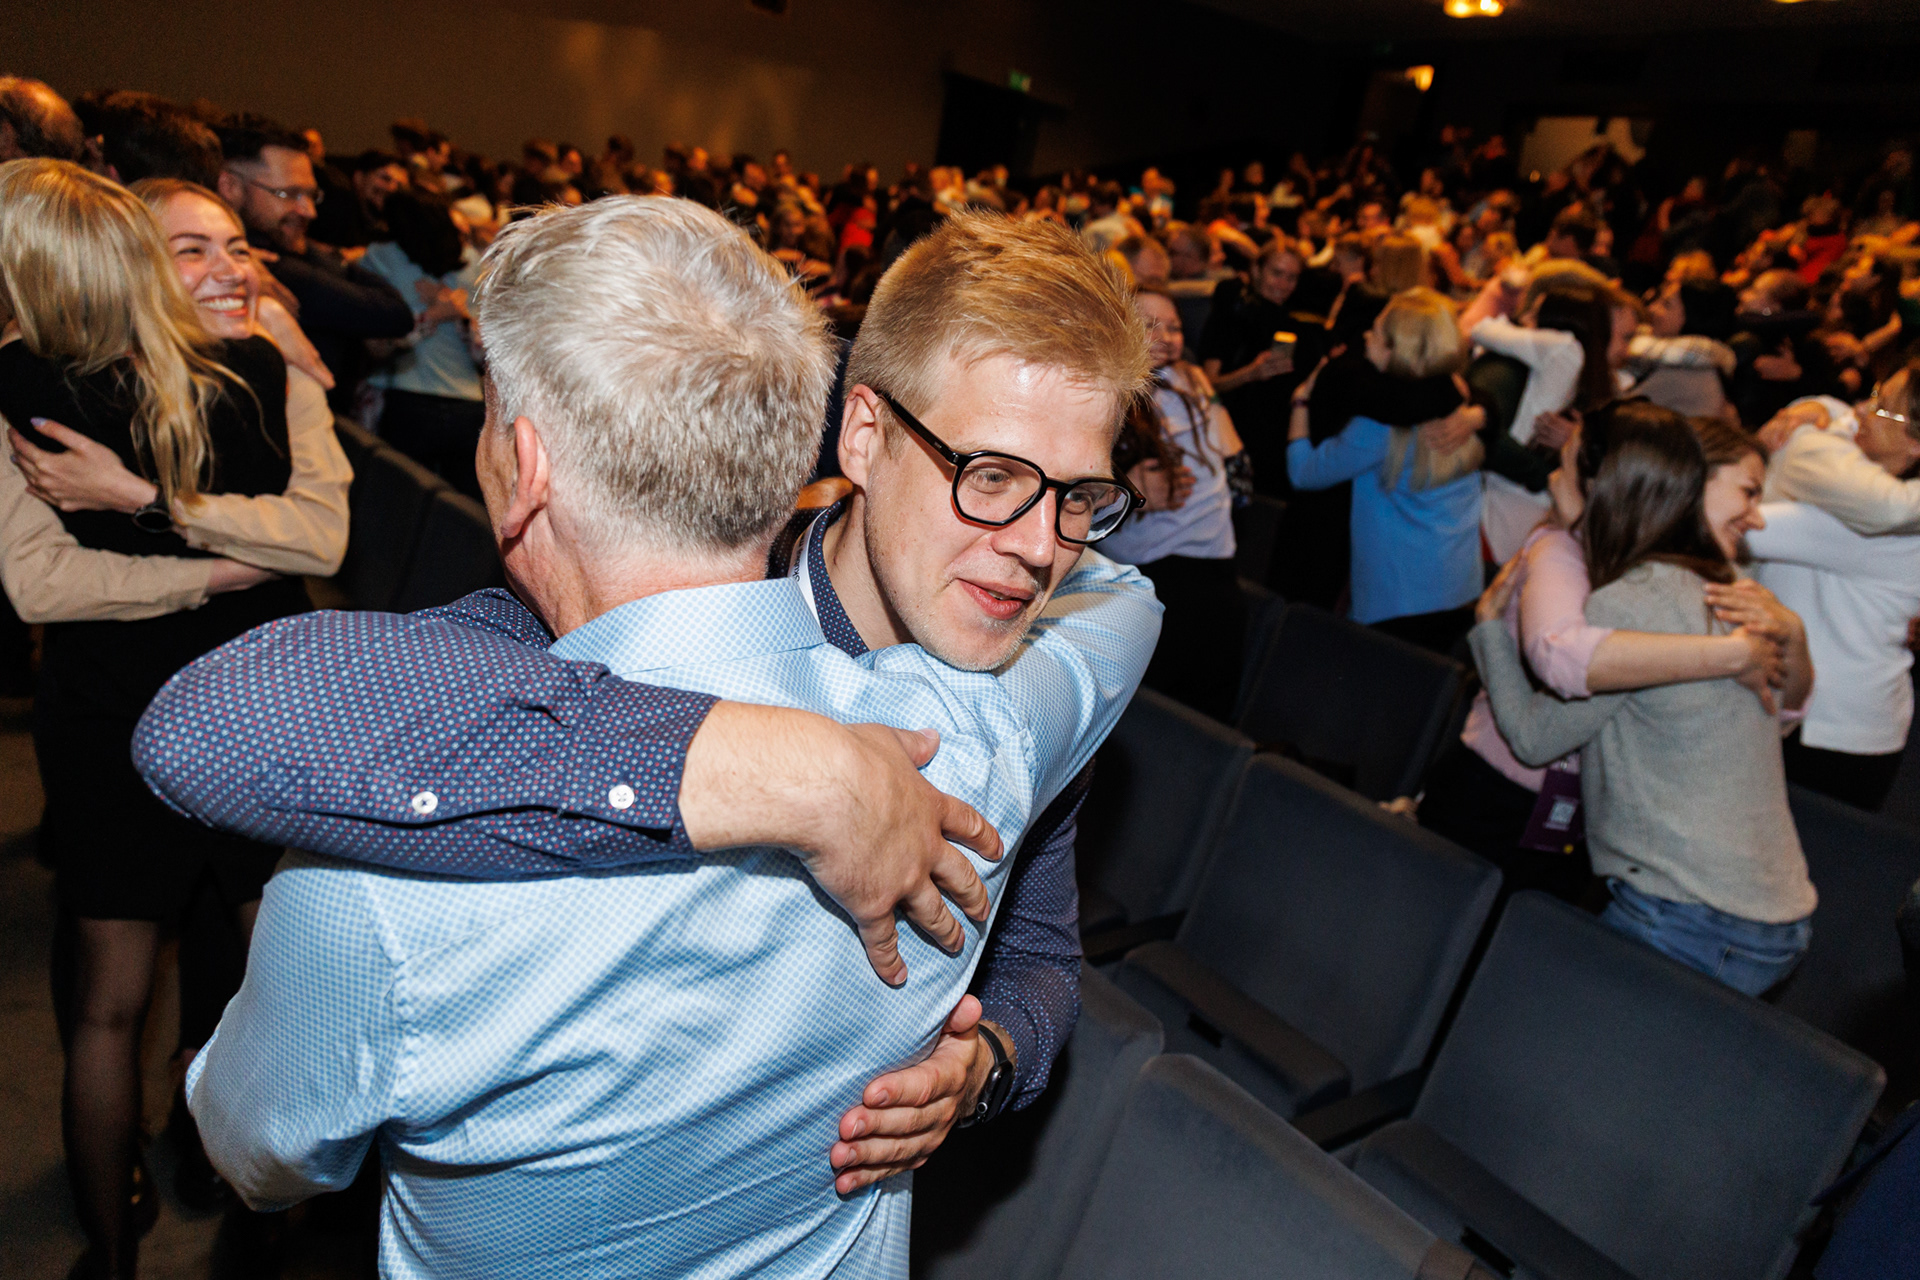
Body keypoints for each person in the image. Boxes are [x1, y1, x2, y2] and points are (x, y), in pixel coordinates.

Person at [136, 200, 1158, 1276]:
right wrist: (767, 766)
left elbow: (256, 1152)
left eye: (1080, 496)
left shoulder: (376, 881)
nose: (1041, 549)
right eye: (987, 474)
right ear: (853, 436)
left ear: (521, 466)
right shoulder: (979, 738)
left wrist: (986, 1059)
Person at [0, 158, 347, 1279]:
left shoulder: (263, 365)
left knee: (171, 996)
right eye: (189, 247)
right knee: (201, 992)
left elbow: (319, 539)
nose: (227, 264)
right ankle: (232, 1221)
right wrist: (206, 572)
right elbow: (36, 584)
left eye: (233, 245)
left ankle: (136, 1243)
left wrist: (151, 508)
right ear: (133, 264)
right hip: (175, 700)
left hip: (235, 701)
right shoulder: (239, 373)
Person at [1470, 404, 1818, 996]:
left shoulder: (1632, 602)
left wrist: (1486, 629)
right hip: (1764, 910)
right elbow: (1777, 718)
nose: (1757, 518)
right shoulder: (1731, 590)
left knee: (1569, 1065)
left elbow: (1534, 738)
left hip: (1693, 912)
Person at [1419, 402, 1787, 903]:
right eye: (1746, 491)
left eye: (1568, 461)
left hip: (1579, 814)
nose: (1554, 474)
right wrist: (1730, 654)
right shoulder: (1559, 552)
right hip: (1498, 793)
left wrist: (1793, 640)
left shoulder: (1657, 577)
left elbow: (1781, 704)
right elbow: (1564, 662)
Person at [1749, 366, 1920, 810]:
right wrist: (1820, 409)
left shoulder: (1879, 525)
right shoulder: (1862, 489)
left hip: (1831, 728)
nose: (1864, 409)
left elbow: (1740, 526)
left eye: (1884, 408)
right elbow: (1839, 420)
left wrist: (1802, 428)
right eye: (1875, 393)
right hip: (1845, 718)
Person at [1286, 288, 1486, 653]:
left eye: (1376, 331)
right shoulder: (1462, 400)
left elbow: (1304, 473)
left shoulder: (1378, 428)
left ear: (1397, 348)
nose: (1366, 335)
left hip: (1399, 596)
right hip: (1458, 582)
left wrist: (1300, 401)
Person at [1099, 286, 1247, 720]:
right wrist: (1130, 491)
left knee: (1207, 710)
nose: (1166, 335)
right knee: (1162, 712)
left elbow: (1234, 463)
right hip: (1152, 570)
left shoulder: (1187, 379)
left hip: (1212, 562)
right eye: (1149, 325)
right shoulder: (1108, 395)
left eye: (1176, 325)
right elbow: (1071, 496)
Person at [215, 114, 414, 412]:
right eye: (289, 194)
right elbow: (394, 312)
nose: (308, 211)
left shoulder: (280, 255)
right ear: (230, 186)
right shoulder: (274, 270)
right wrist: (333, 259)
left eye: (310, 195)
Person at [361, 191, 487, 496]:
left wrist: (433, 313)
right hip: (468, 402)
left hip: (406, 395)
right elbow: (487, 347)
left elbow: (375, 338)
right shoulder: (473, 264)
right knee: (466, 512)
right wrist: (449, 312)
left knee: (400, 499)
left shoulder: (380, 257)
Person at [1199, 237, 1325, 493]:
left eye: (1292, 277)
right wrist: (1251, 373)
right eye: (1276, 273)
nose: (1283, 284)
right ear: (1256, 271)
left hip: (1278, 434)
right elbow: (1208, 383)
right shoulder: (1231, 313)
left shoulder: (1293, 322)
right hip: (1237, 430)